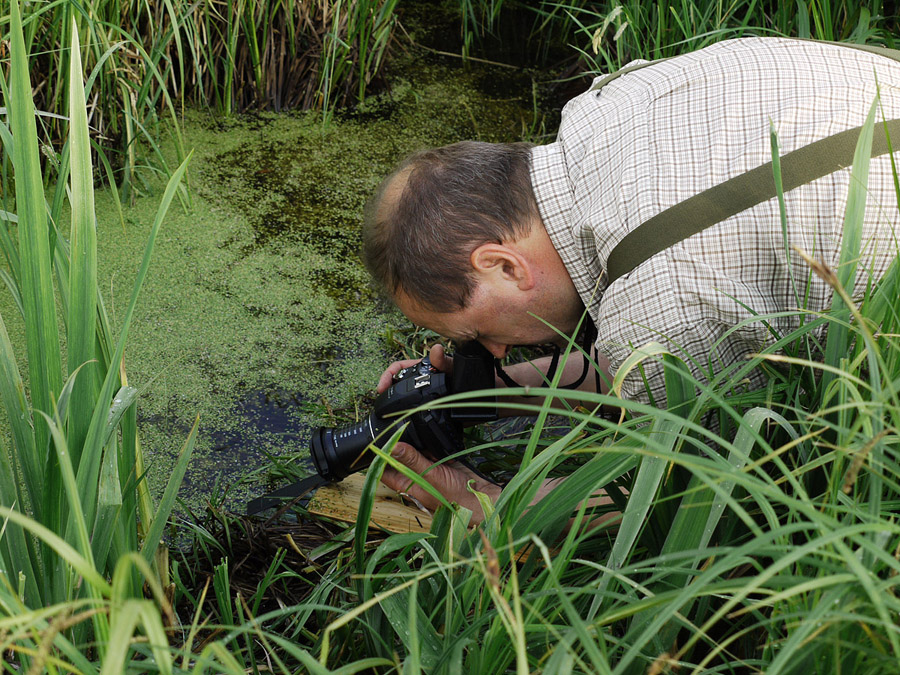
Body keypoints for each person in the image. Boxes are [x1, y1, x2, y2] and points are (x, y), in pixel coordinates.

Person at [361, 37, 900, 523]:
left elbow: (689, 501)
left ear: (503, 265)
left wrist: (482, 500)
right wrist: (490, 391)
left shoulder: (656, 296)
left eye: (478, 334)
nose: (495, 349)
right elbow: (647, 369)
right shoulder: (605, 108)